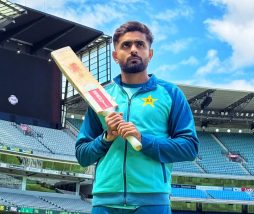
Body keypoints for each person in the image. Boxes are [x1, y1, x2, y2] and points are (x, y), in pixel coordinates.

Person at [75, 21, 199, 214]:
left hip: (152, 202)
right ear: (115, 56)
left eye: (140, 45)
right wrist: (107, 137)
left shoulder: (170, 93)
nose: (133, 50)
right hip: (104, 201)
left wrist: (143, 139)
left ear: (150, 54)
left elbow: (189, 148)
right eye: (126, 45)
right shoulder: (100, 97)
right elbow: (83, 155)